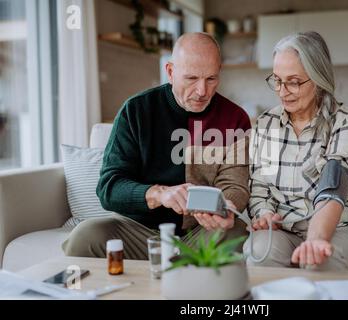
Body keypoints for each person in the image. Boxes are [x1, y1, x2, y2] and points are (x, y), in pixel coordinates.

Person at [63, 32, 251, 259]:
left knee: (235, 232)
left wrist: (226, 208)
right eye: (191, 78)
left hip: (199, 233)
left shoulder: (235, 118)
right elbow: (109, 187)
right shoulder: (136, 111)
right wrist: (158, 194)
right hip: (139, 232)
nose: (203, 91)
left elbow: (235, 185)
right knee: (86, 236)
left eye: (211, 78)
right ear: (171, 72)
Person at [244, 31, 348, 271]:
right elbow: (259, 187)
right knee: (260, 252)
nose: (282, 91)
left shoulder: (344, 121)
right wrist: (265, 214)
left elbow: (333, 186)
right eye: (277, 80)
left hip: (345, 228)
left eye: (294, 81)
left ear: (318, 79)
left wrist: (316, 239)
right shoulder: (267, 124)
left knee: (318, 262)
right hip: (287, 231)